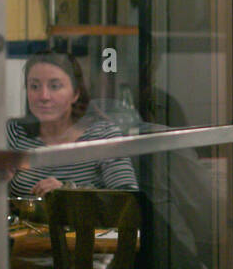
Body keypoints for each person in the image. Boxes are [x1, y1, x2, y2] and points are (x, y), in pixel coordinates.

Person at [7, 51, 138, 196]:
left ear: (75, 93)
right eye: (35, 86)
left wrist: (69, 192)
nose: (43, 96)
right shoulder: (14, 132)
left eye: (55, 86)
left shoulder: (103, 136)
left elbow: (128, 198)